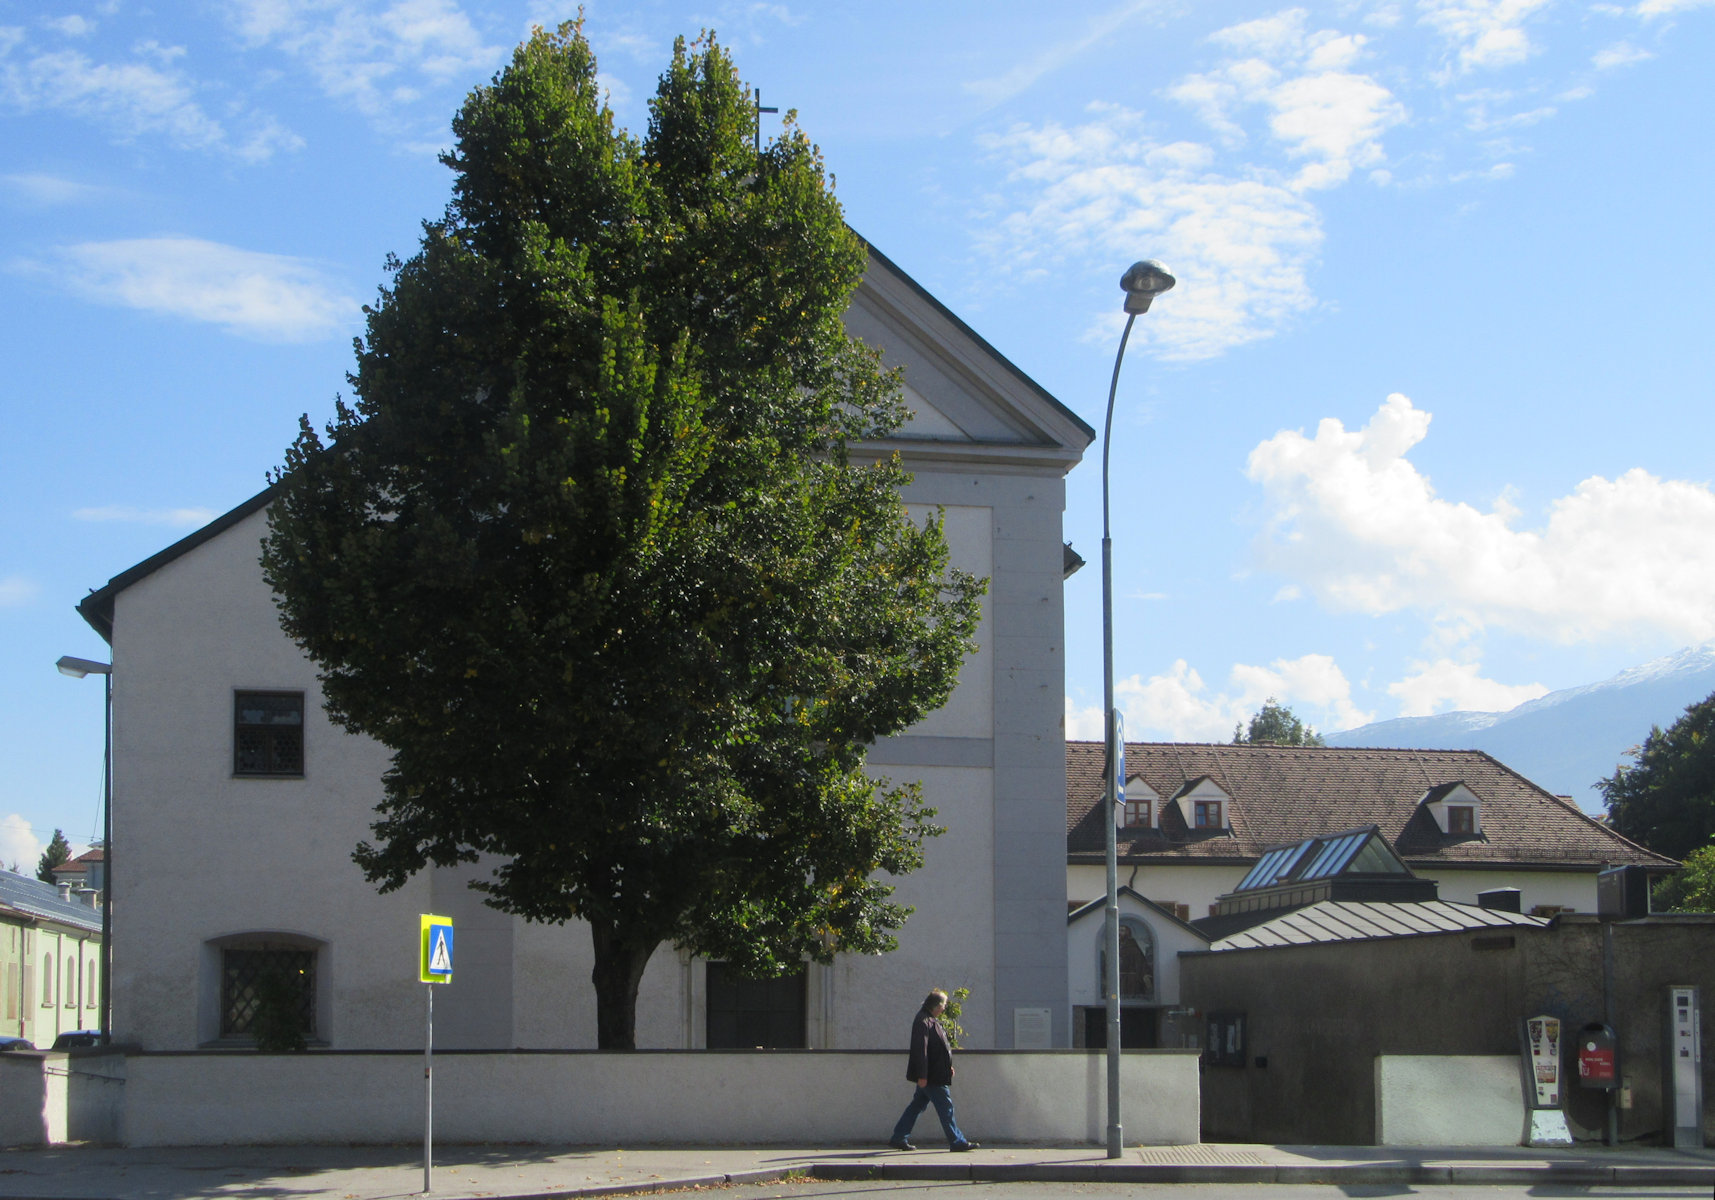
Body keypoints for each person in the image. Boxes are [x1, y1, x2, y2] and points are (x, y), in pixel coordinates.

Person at [888, 988, 978, 1152]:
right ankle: (957, 1141)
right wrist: (922, 1075)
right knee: (946, 1108)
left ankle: (899, 1137)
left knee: (917, 1105)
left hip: (933, 1074)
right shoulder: (923, 1021)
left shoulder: (928, 1019)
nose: (944, 1008)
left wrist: (947, 1066)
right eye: (943, 1004)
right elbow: (920, 1050)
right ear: (936, 1005)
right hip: (931, 1076)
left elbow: (937, 1048)